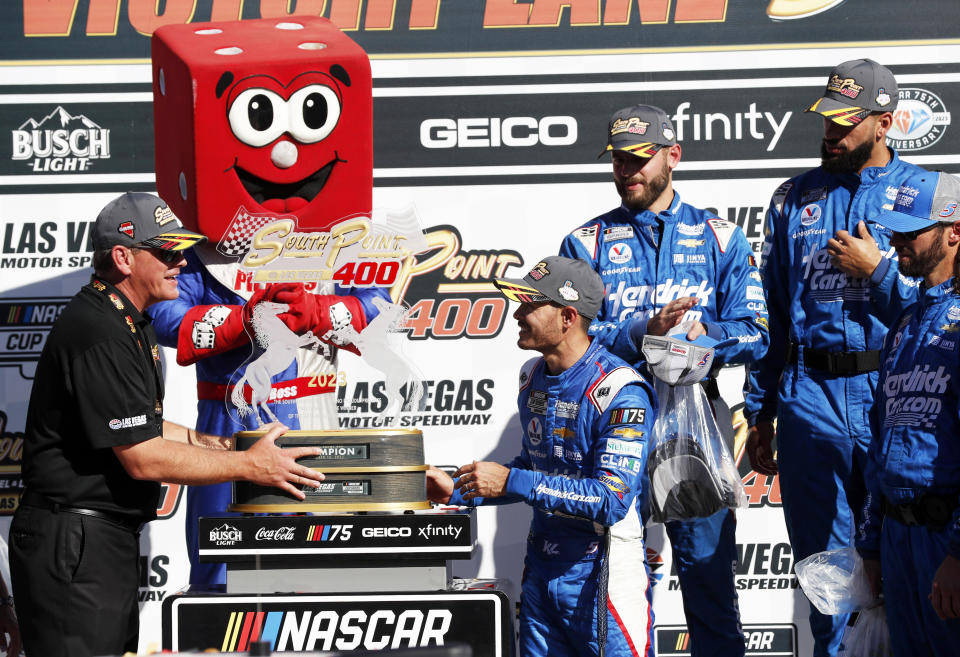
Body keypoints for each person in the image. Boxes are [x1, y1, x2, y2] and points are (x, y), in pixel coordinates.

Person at [8, 192, 326, 657]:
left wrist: (212, 442)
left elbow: (144, 425)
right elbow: (142, 456)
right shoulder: (98, 330)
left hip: (96, 542)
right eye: (164, 252)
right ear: (122, 257)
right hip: (74, 545)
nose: (179, 262)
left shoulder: (124, 321)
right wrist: (248, 465)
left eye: (179, 249)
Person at [560, 103, 768, 657]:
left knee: (709, 584)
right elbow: (564, 337)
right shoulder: (586, 243)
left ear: (673, 156)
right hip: (609, 429)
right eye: (618, 161)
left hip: (695, 427)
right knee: (614, 586)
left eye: (638, 159)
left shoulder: (721, 237)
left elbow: (758, 331)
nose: (626, 171)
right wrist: (641, 332)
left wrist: (702, 343)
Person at [743, 58, 923, 656]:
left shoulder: (928, 193)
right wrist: (761, 410)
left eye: (847, 123)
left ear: (886, 123)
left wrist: (880, 275)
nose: (831, 134)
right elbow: (769, 307)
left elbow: (946, 309)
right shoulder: (793, 196)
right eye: (827, 120)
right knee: (827, 576)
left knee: (904, 561)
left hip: (895, 395)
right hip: (807, 396)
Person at [426, 256, 658, 656]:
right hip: (542, 567)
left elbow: (611, 499)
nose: (517, 313)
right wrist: (461, 491)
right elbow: (535, 468)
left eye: (530, 304)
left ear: (567, 317)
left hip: (602, 573)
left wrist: (512, 481)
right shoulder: (531, 377)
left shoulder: (620, 390)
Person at [150, 242, 387, 589]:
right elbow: (161, 314)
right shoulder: (202, 250)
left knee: (325, 576)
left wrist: (318, 311)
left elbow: (381, 306)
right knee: (222, 573)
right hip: (230, 423)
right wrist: (242, 319)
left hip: (315, 422)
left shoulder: (337, 239)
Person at [855, 170, 960, 655]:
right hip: (898, 544)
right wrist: (872, 546)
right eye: (893, 230)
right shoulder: (905, 321)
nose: (896, 241)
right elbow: (882, 443)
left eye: (910, 231)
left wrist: (958, 552)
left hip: (946, 541)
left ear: (953, 231)